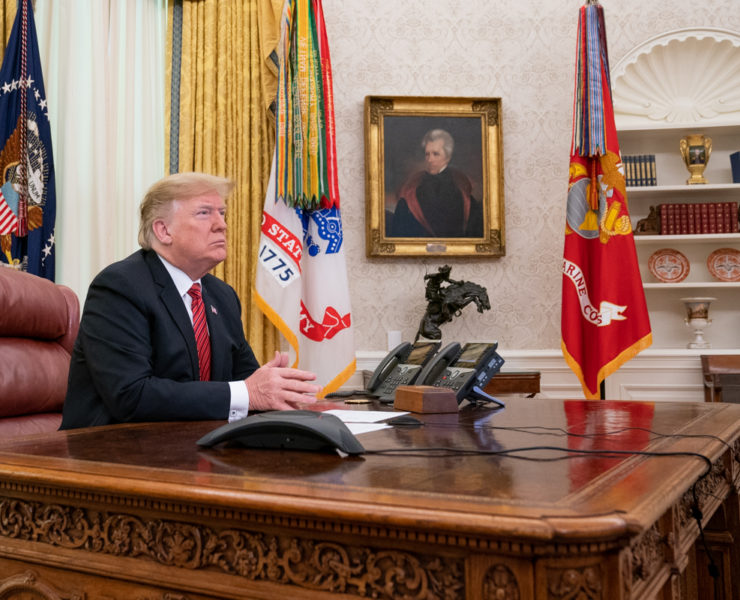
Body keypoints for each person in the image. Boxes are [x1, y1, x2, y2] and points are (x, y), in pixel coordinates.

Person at [60, 172, 320, 429]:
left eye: (222, 213)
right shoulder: (120, 287)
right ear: (163, 230)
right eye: (205, 213)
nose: (222, 224)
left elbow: (244, 381)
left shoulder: (222, 296)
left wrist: (277, 391)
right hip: (107, 454)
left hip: (193, 447)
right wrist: (249, 393)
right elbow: (131, 395)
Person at [389, 129, 483, 238]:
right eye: (427, 154)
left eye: (435, 154)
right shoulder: (413, 187)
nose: (430, 159)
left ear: (448, 157)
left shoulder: (461, 188)